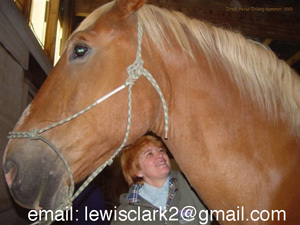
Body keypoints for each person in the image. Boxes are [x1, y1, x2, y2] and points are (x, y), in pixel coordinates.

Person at [111, 135, 213, 225]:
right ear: (137, 171)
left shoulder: (191, 184)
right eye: (149, 154)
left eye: (160, 150)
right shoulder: (127, 213)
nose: (160, 155)